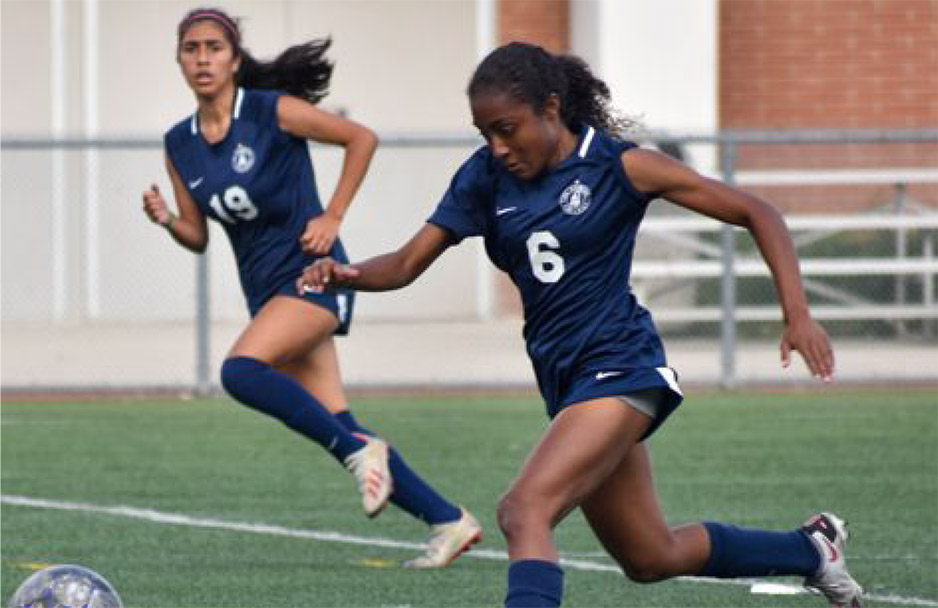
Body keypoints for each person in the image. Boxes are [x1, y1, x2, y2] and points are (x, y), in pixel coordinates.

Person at [297, 41, 864, 607]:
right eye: (484, 134)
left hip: (621, 366)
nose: (497, 147)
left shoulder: (620, 166)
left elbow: (756, 211)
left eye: (507, 129)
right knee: (650, 556)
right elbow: (403, 265)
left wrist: (798, 314)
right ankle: (811, 551)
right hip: (566, 381)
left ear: (550, 108)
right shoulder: (484, 177)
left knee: (523, 511)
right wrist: (345, 274)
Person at [141, 7, 481, 569]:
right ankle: (449, 521)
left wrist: (334, 216)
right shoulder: (179, 143)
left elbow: (361, 139)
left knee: (239, 371)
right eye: (191, 49)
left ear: (234, 58)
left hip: (313, 277)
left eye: (213, 48)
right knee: (340, 423)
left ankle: (357, 455)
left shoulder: (272, 112)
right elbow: (197, 235)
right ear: (179, 58)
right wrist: (165, 220)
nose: (202, 59)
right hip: (268, 295)